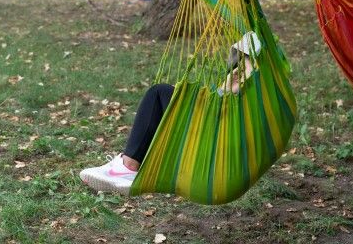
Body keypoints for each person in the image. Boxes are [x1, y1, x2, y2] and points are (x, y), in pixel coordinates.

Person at [79, 31, 261, 194]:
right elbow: (223, 97)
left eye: (240, 56)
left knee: (158, 93)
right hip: (214, 117)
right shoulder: (243, 78)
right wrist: (223, 87)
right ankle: (127, 166)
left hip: (214, 124)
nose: (235, 61)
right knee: (162, 94)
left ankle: (128, 167)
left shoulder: (254, 76)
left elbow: (229, 103)